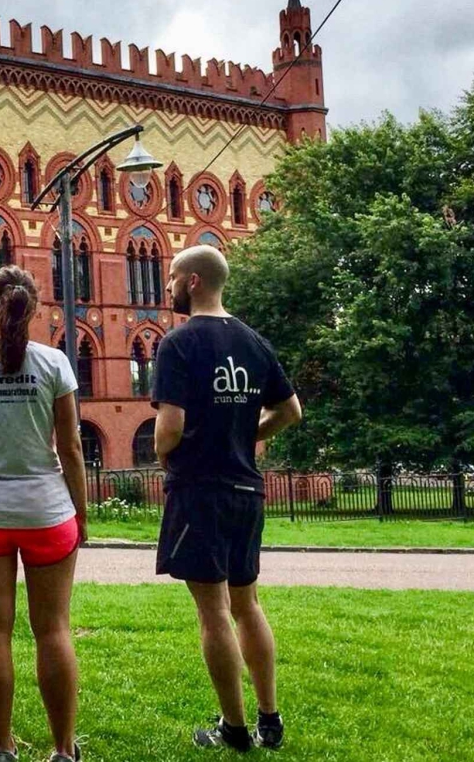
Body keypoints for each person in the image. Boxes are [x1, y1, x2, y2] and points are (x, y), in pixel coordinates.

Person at [152, 245, 303, 752]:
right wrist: (246, 435)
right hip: (246, 490)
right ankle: (270, 720)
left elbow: (168, 429)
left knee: (213, 611)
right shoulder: (255, 342)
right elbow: (291, 411)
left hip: (199, 491)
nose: (168, 285)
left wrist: (164, 450)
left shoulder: (178, 344)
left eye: (172, 276)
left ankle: (234, 729)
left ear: (192, 281)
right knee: (248, 603)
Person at [0, 265, 88, 762]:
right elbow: (70, 447)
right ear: (36, 309)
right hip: (48, 510)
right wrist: (81, 513)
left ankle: (2, 748)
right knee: (53, 629)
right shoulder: (54, 364)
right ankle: (64, 750)